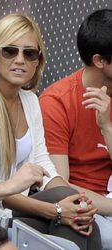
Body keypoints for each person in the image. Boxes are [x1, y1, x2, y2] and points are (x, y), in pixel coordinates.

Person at [0, 13, 101, 250]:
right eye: (10, 51)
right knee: (72, 217)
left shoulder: (29, 101)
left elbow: (43, 164)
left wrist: (76, 201)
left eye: (29, 53)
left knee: (79, 214)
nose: (20, 60)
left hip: (20, 207)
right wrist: (58, 210)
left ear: (38, 61)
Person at [39, 9, 112, 250]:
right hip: (86, 207)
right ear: (100, 61)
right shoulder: (57, 101)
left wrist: (106, 127)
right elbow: (61, 187)